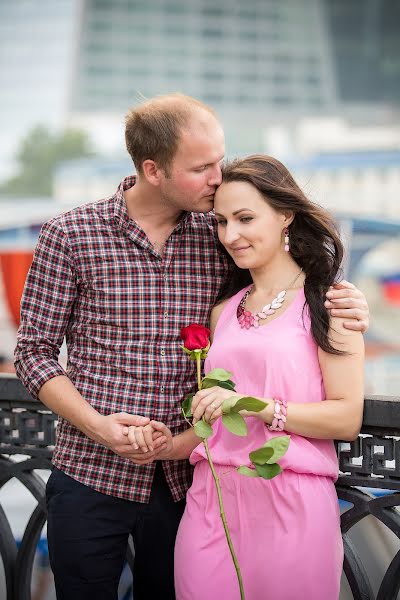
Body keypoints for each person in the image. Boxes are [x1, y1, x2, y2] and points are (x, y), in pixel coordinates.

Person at [14, 95, 368, 600]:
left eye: (219, 161)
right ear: (153, 170)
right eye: (202, 167)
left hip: (191, 483)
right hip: (91, 471)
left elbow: (283, 302)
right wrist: (98, 425)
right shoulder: (71, 235)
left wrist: (347, 306)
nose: (218, 177)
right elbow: (33, 352)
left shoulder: (221, 231)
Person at [151, 154, 364, 599]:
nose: (231, 235)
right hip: (211, 502)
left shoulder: (332, 304)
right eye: (222, 221)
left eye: (245, 218)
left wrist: (256, 407)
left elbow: (346, 418)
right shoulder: (221, 312)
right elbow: (216, 419)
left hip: (291, 502)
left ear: (286, 215)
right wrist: (168, 446)